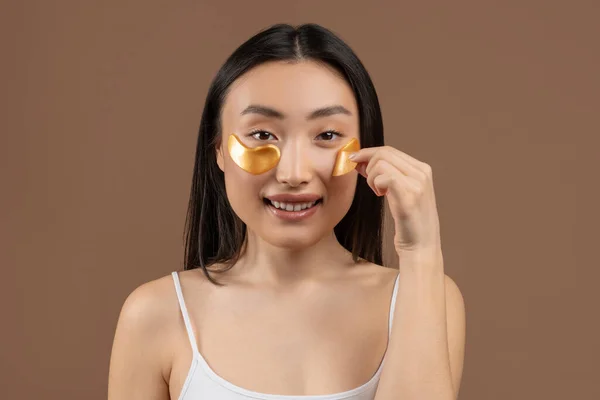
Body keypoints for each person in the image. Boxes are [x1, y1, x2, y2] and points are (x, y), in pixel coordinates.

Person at [108, 23, 466, 400]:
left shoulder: (426, 297)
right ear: (217, 150)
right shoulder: (155, 315)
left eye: (327, 135)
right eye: (262, 135)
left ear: (368, 148)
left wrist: (421, 250)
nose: (294, 174)